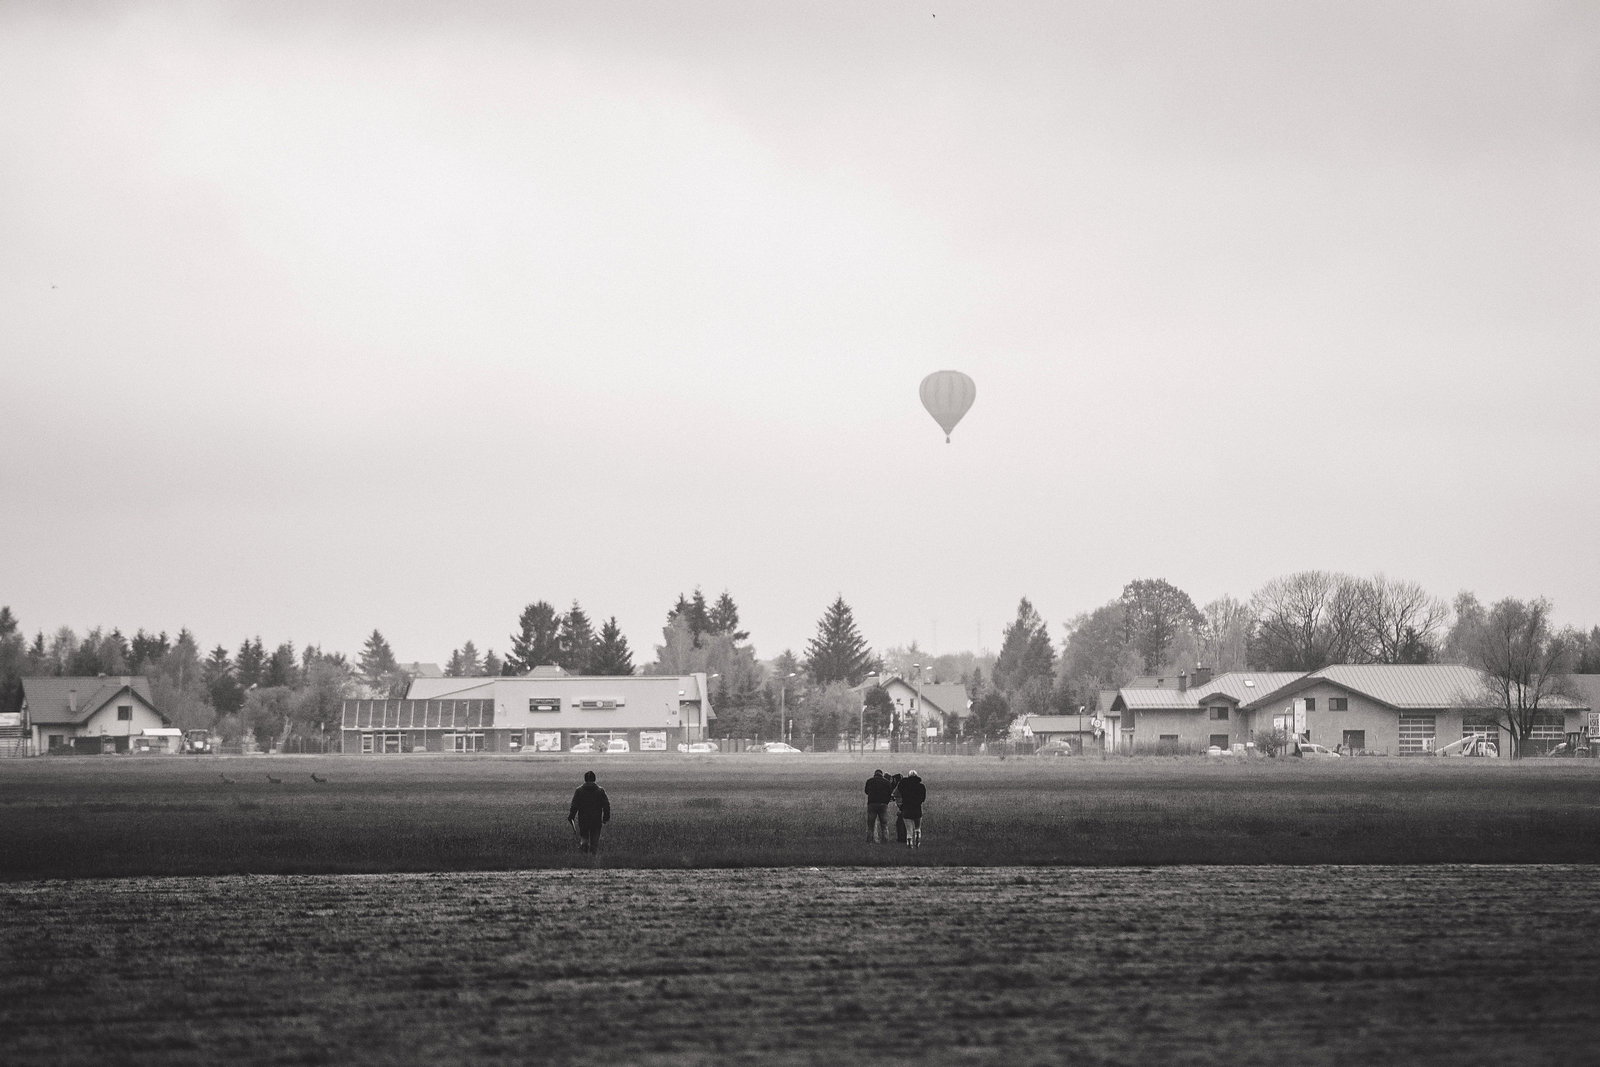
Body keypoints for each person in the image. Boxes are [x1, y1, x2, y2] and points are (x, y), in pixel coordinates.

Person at [568, 770, 610, 854]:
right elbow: (606, 805)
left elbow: (574, 805)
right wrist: (605, 818)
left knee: (584, 839)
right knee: (594, 842)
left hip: (583, 820)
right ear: (594, 779)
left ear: (585, 779)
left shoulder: (579, 791)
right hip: (596, 820)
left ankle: (584, 858)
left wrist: (571, 816)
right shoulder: (600, 791)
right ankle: (593, 858)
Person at [895, 769, 927, 848]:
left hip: (906, 809)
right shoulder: (921, 786)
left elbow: (899, 791)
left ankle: (909, 843)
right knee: (917, 827)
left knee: (909, 830)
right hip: (917, 810)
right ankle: (917, 842)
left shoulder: (904, 786)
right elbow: (923, 799)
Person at [864, 768, 895, 843]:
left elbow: (866, 791)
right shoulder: (887, 782)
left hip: (872, 804)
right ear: (882, 774)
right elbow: (889, 793)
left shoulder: (869, 781)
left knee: (870, 824)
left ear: (874, 774)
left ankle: (869, 840)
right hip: (883, 805)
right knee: (884, 824)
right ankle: (885, 840)